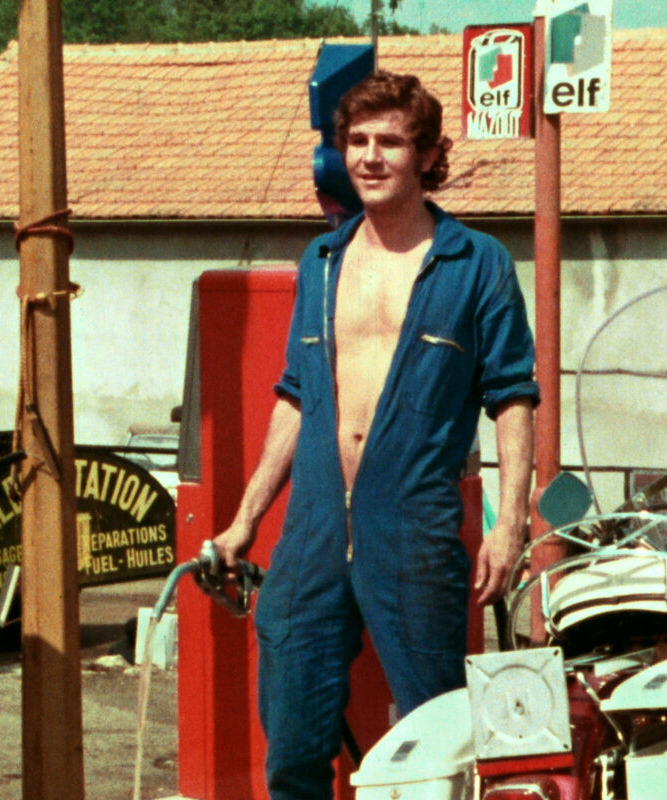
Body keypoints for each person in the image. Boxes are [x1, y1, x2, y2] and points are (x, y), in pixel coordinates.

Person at [210, 70, 539, 800]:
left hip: (414, 527)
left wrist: (510, 521)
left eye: (389, 142)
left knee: (438, 744)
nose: (369, 157)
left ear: (427, 155)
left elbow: (513, 396)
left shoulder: (476, 263)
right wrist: (244, 520)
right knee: (293, 750)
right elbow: (296, 398)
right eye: (357, 141)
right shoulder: (322, 262)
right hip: (313, 531)